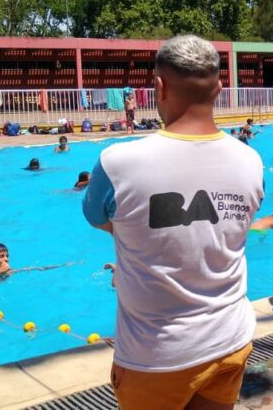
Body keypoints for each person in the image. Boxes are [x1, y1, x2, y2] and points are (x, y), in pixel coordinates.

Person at [82, 35, 263, 409]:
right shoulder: (252, 161)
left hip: (157, 356)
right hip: (231, 338)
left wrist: (143, 242)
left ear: (159, 86)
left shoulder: (118, 163)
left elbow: (99, 219)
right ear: (220, 88)